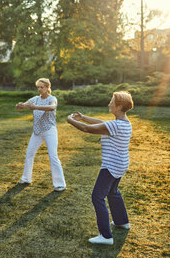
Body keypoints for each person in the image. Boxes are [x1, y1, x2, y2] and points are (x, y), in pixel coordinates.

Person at [67, 91, 133, 245]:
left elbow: (86, 129)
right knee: (113, 192)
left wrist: (70, 120)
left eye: (112, 102)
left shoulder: (115, 125)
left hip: (111, 166)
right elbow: (100, 122)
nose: (109, 104)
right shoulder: (124, 123)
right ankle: (121, 222)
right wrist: (83, 117)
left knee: (97, 197)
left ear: (119, 106)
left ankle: (106, 236)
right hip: (121, 164)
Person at [15, 78, 66, 191]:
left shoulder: (52, 99)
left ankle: (60, 184)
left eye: (42, 87)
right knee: (29, 154)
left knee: (53, 156)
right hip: (37, 132)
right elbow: (22, 106)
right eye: (38, 87)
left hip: (49, 131)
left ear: (48, 88)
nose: (39, 89)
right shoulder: (35, 99)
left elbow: (52, 107)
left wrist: (35, 107)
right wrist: (20, 105)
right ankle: (26, 178)